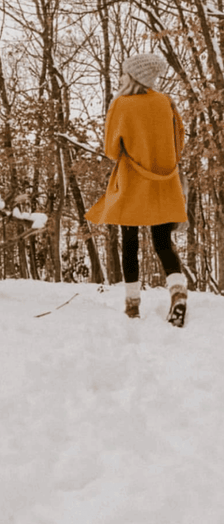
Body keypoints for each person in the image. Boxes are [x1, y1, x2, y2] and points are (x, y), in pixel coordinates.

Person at [85, 53, 188, 326]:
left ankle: (132, 306)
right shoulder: (166, 102)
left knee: (129, 244)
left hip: (132, 184)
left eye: (124, 72)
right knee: (163, 244)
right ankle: (178, 292)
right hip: (165, 183)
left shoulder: (121, 104)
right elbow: (179, 144)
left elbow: (111, 150)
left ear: (133, 77)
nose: (121, 76)